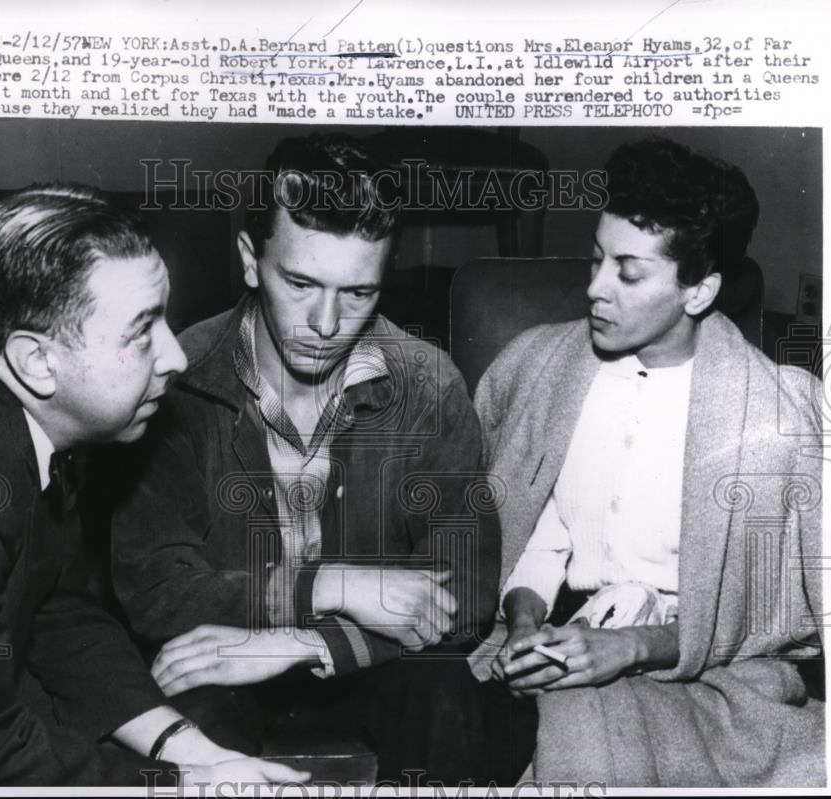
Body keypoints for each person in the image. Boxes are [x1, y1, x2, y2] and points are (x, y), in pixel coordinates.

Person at [110, 133, 522, 785]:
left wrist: (304, 638)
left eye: (358, 292)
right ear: (250, 260)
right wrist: (328, 585)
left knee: (450, 694)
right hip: (222, 667)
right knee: (188, 709)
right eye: (300, 283)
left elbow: (466, 589)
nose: (326, 323)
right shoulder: (175, 380)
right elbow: (155, 589)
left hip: (369, 664)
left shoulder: (428, 383)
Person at [0, 185, 308, 787]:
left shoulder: (13, 406)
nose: (176, 358)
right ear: (36, 361)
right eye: (142, 331)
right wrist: (179, 787)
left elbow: (56, 608)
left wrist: (191, 750)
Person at [468, 137, 825, 786]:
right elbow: (541, 534)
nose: (595, 288)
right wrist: (526, 626)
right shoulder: (549, 372)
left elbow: (771, 613)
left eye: (628, 273)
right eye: (597, 259)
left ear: (699, 291)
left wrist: (632, 645)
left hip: (719, 669)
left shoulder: (777, 414)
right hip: (572, 636)